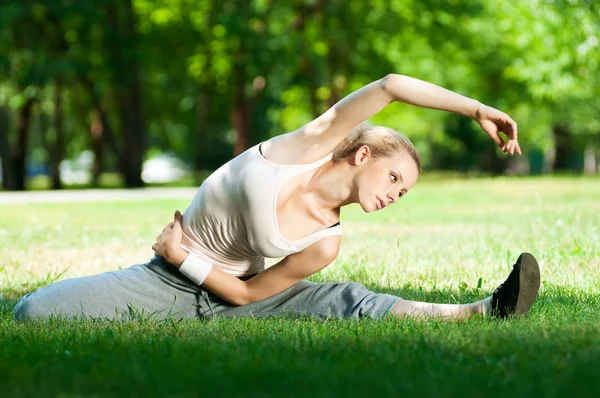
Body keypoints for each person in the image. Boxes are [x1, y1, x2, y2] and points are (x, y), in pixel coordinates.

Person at [13, 74, 540, 323]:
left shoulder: (326, 242)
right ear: (363, 156)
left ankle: (478, 312)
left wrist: (185, 256)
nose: (397, 194)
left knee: (341, 298)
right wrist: (476, 109)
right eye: (395, 178)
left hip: (229, 291)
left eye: (404, 191)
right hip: (163, 281)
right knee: (33, 313)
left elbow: (245, 297)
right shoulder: (305, 147)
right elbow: (391, 85)